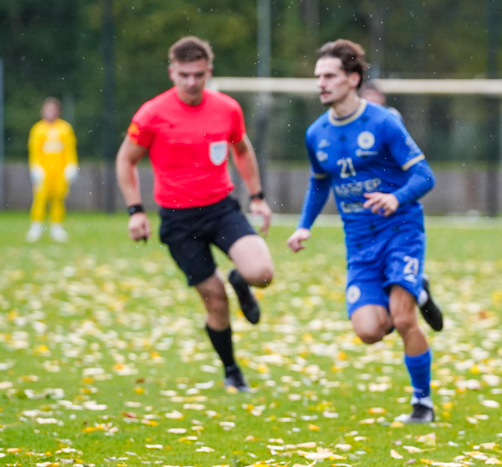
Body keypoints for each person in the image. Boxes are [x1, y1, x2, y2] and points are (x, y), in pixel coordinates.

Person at [287, 39, 443, 424]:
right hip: (359, 241)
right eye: (318, 77)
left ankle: (422, 403)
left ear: (353, 78)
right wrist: (303, 227)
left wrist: (395, 199)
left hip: (401, 230)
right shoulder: (315, 134)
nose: (321, 84)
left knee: (404, 319)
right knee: (369, 331)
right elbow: (319, 182)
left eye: (330, 76)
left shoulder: (383, 122)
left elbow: (425, 176)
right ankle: (418, 287)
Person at [116, 36, 274, 393]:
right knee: (215, 301)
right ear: (172, 72)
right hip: (178, 221)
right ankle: (232, 370)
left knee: (262, 274)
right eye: (184, 74)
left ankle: (240, 281)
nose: (191, 82)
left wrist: (258, 197)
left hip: (221, 209)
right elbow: (126, 160)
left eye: (198, 74)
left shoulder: (227, 108)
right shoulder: (152, 114)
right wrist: (135, 211)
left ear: (209, 72)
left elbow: (243, 149)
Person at [27, 97, 78, 242]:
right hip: (43, 170)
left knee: (59, 198)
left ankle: (57, 227)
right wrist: (35, 167)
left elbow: (70, 150)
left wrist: (71, 165)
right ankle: (36, 227)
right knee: (40, 198)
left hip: (59, 171)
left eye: (53, 109)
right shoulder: (38, 129)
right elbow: (34, 151)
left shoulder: (65, 128)